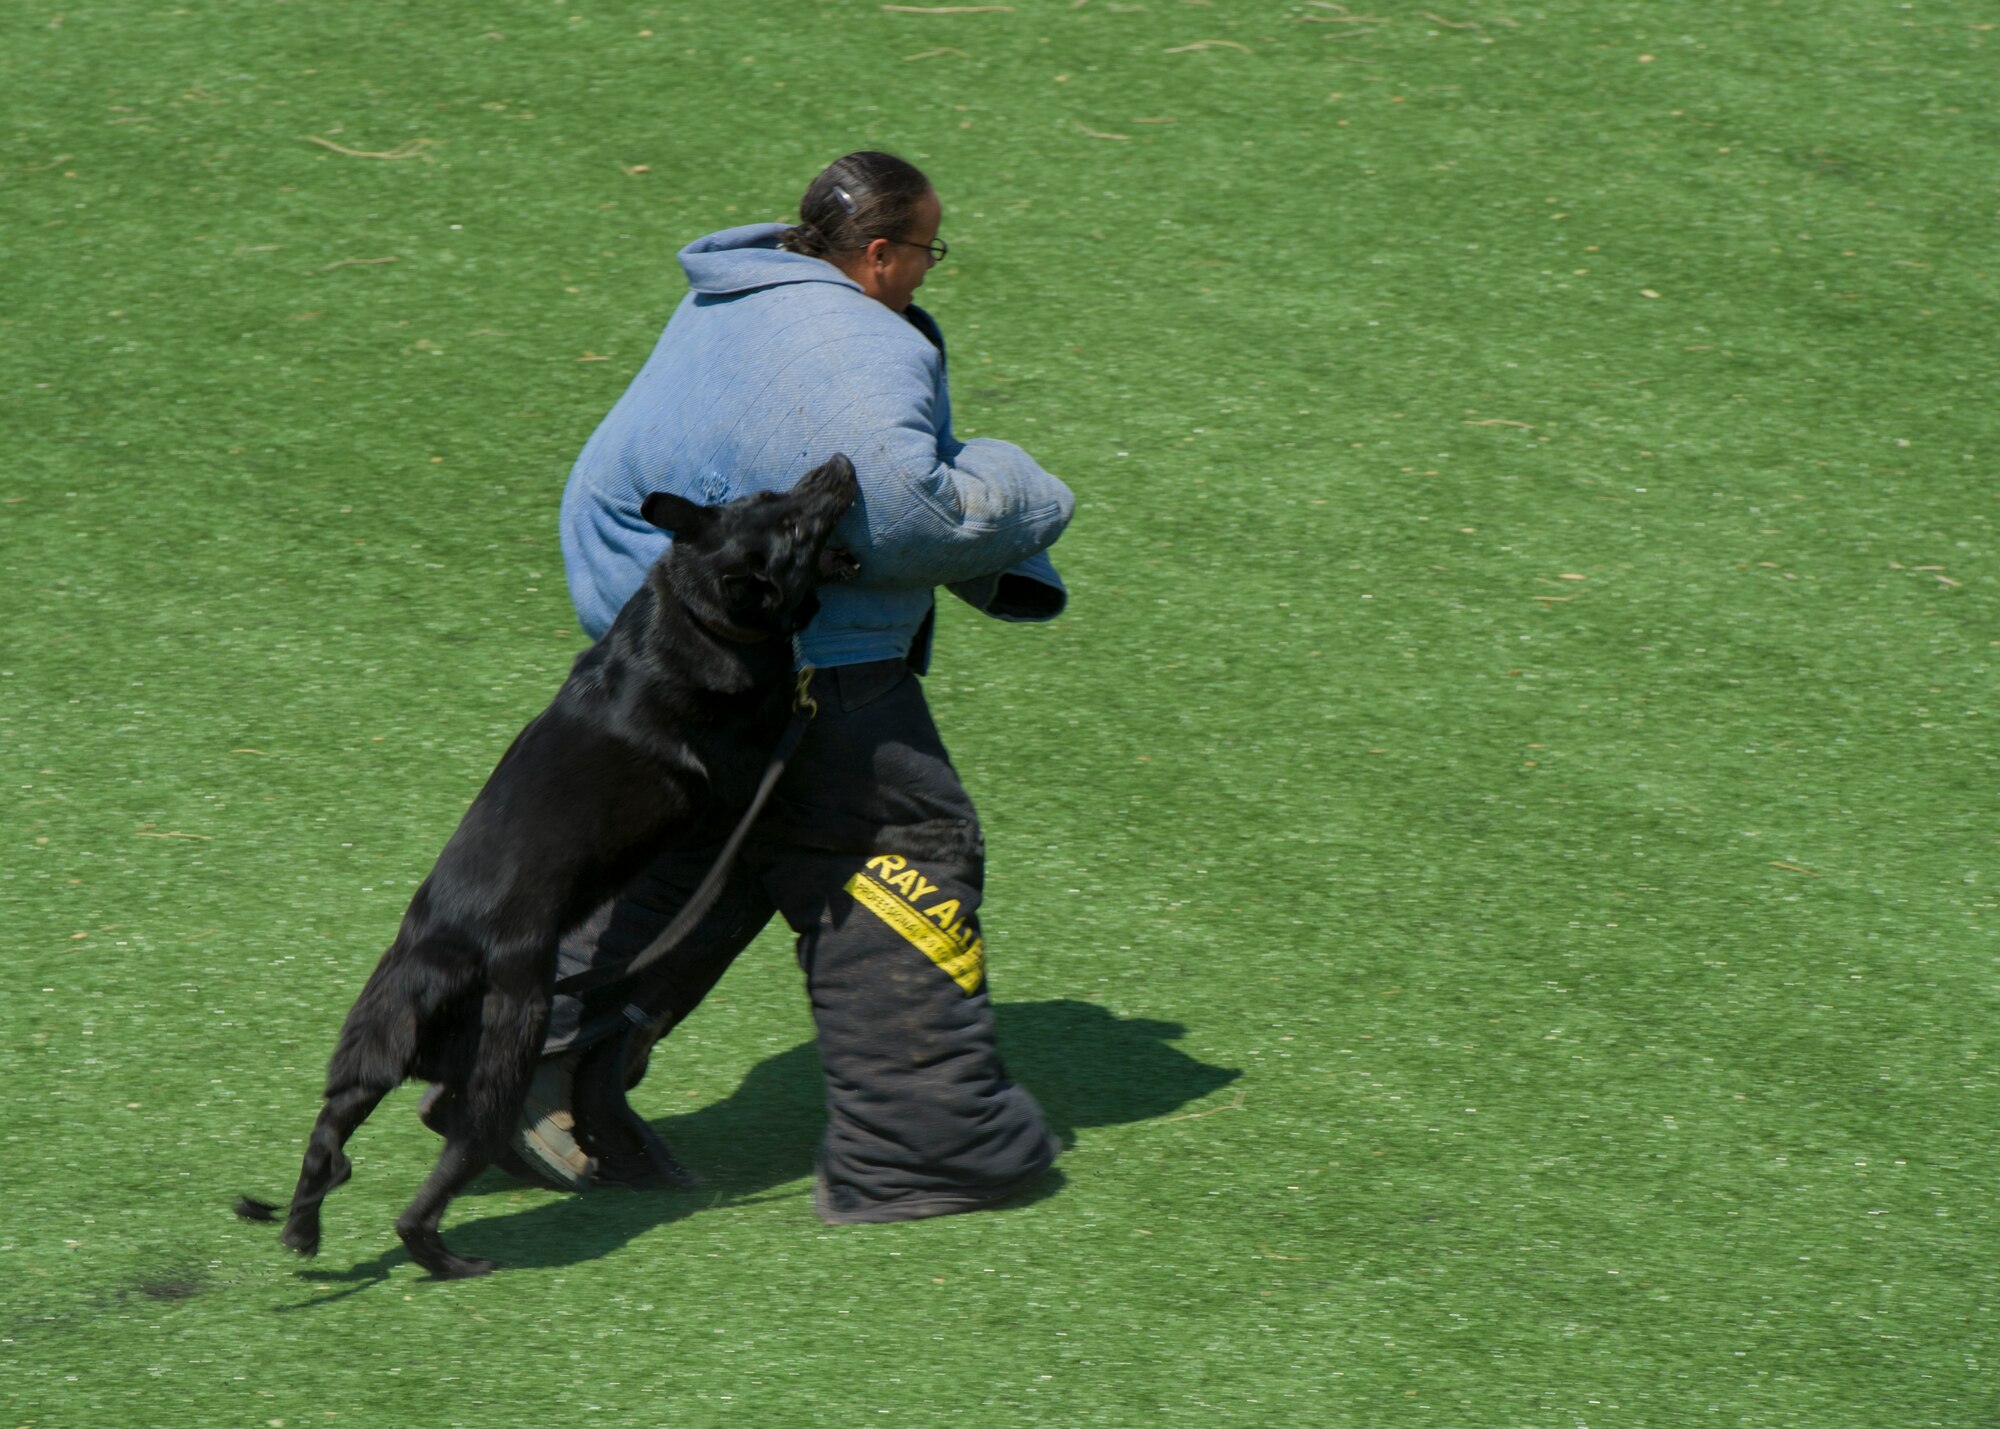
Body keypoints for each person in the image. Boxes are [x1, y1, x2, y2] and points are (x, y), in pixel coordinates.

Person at [491, 151, 1075, 1224]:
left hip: (669, 642)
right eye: (927, 253)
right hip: (802, 667)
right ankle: (924, 1146)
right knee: (900, 849)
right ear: (881, 252)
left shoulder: (739, 294)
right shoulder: (848, 346)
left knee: (715, 847)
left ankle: (519, 1071)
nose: (929, 275)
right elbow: (917, 514)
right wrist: (1027, 488)